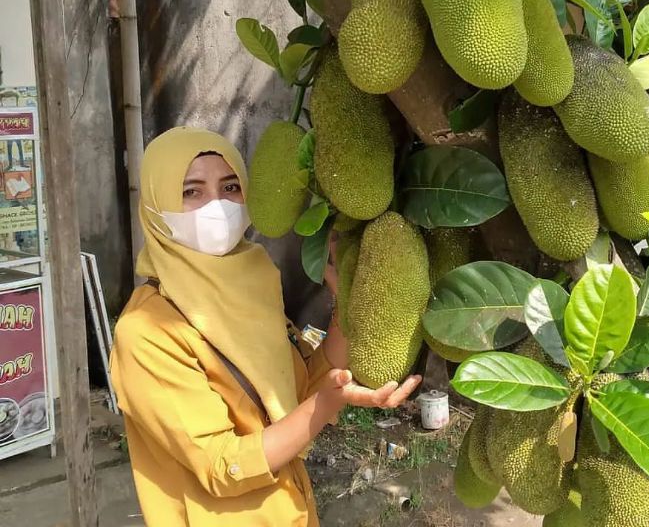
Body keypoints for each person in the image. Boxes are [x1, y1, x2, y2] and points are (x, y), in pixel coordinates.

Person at [110, 127, 421, 526]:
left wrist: (344, 304)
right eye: (191, 192)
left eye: (229, 187)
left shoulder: (252, 285)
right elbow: (223, 466)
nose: (216, 205)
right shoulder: (147, 331)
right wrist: (329, 402)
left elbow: (305, 386)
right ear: (156, 205)